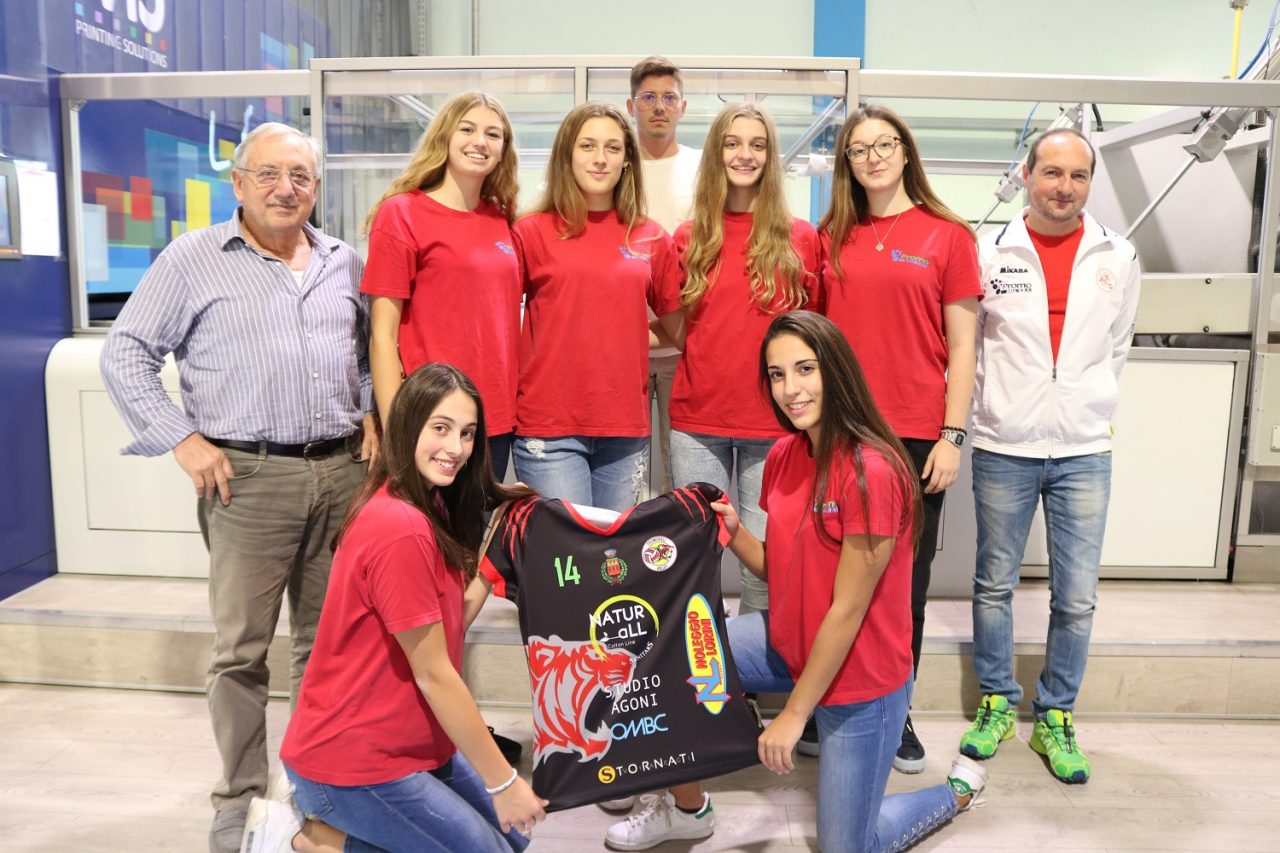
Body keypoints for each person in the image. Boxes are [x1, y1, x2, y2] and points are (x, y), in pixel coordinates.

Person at [604, 311, 987, 852]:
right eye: (777, 374)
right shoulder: (786, 455)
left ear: (836, 369)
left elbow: (847, 610)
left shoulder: (873, 471)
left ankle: (954, 793)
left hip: (861, 679)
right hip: (790, 645)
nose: (790, 389)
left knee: (848, 847)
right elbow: (779, 569)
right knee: (666, 654)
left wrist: (792, 714)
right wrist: (733, 531)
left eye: (805, 369)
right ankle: (687, 807)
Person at [99, 122, 377, 853]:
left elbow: (366, 356)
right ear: (239, 182)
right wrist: (180, 437)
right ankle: (241, 796)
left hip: (342, 472)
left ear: (316, 186)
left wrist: (373, 411)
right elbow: (125, 351)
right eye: (269, 174)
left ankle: (316, 790)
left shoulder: (344, 262)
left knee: (327, 649)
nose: (286, 189)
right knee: (241, 652)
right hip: (246, 479)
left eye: (300, 176)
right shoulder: (194, 258)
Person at [239, 363, 546, 853]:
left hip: (409, 743)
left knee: (514, 843)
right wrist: (504, 781)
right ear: (407, 425)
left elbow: (447, 625)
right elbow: (435, 674)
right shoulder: (399, 526)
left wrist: (494, 562)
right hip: (352, 762)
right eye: (440, 428)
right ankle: (303, 839)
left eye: (467, 433)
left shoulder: (428, 502)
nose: (455, 448)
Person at [959, 128, 1141, 785]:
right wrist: (991, 410)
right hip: (1004, 444)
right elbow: (970, 346)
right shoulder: (988, 251)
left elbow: (1117, 345)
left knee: (1078, 596)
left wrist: (1089, 405)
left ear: (1090, 182)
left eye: (1078, 175)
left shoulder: (1118, 255)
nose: (1064, 187)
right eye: (1052, 172)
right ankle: (995, 701)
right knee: (994, 583)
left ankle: (1056, 713)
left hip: (1084, 448)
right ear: (1027, 174)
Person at [819, 104, 980, 771]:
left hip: (914, 439)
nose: (874, 157)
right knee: (832, 581)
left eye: (884, 144)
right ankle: (829, 702)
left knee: (901, 588)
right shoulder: (832, 236)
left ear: (906, 151)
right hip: (839, 435)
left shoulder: (948, 236)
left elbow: (964, 344)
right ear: (847, 163)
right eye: (859, 150)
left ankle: (896, 710)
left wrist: (952, 435)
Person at [668, 101, 819, 615]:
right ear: (716, 152)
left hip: (775, 424)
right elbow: (678, 324)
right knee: (693, 560)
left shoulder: (800, 238)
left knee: (765, 567)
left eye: (757, 145)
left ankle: (755, 664)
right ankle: (702, 663)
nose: (744, 155)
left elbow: (813, 337)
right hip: (697, 422)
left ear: (771, 157)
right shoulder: (689, 238)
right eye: (732, 144)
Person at [511, 101, 681, 512]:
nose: (600, 158)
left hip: (625, 429)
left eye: (612, 147)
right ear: (567, 154)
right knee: (568, 551)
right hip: (549, 427)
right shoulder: (530, 231)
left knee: (614, 552)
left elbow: (679, 331)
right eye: (587, 146)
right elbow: (495, 321)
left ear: (627, 159)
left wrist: (618, 335)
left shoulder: (650, 237)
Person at [361, 91, 521, 480]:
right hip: (430, 420)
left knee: (480, 521)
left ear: (503, 149)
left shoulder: (503, 220)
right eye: (467, 129)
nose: (480, 141)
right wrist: (397, 428)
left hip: (493, 421)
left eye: (493, 134)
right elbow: (382, 336)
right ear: (444, 136)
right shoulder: (402, 213)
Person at [627, 56, 702, 495]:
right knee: (625, 475)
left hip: (684, 348)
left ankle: (679, 544)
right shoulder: (614, 167)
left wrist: (676, 331)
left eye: (669, 98)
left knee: (682, 474)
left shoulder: (704, 168)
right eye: (648, 97)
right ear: (631, 105)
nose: (659, 107)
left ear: (683, 106)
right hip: (623, 351)